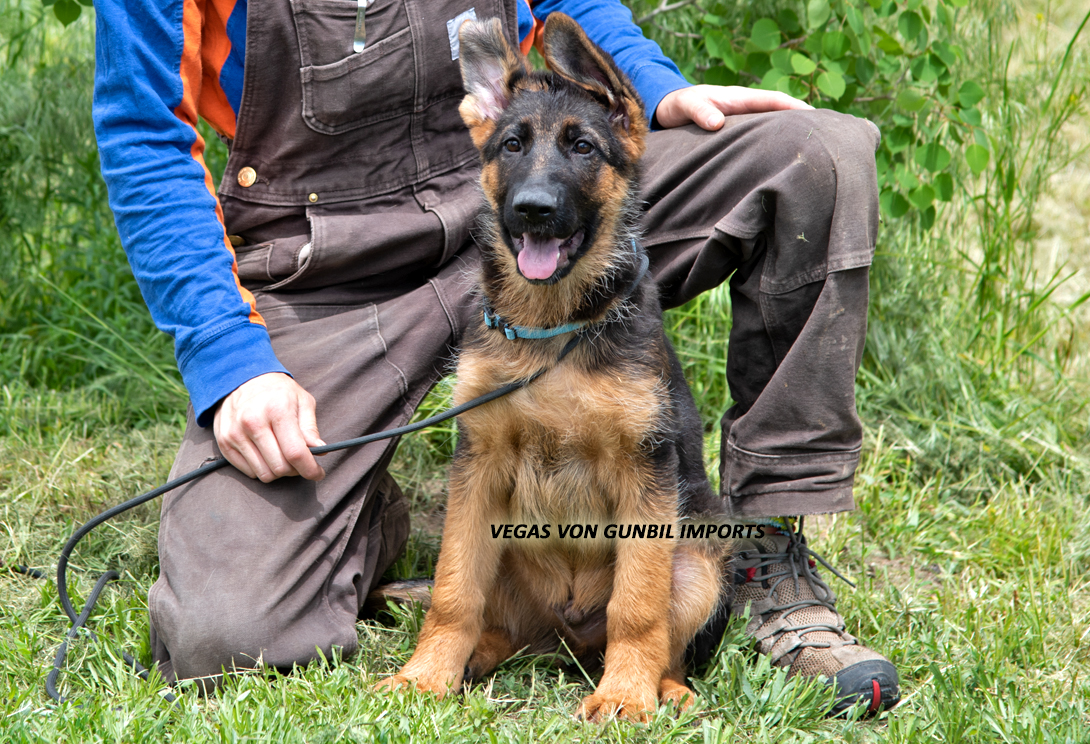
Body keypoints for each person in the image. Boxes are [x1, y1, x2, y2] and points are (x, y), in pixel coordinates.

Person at [92, 0, 898, 713]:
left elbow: (565, 5)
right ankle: (355, 510)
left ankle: (762, 556)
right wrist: (230, 357)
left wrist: (654, 87)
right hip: (327, 264)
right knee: (225, 639)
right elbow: (142, 131)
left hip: (534, 198)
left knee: (815, 154)